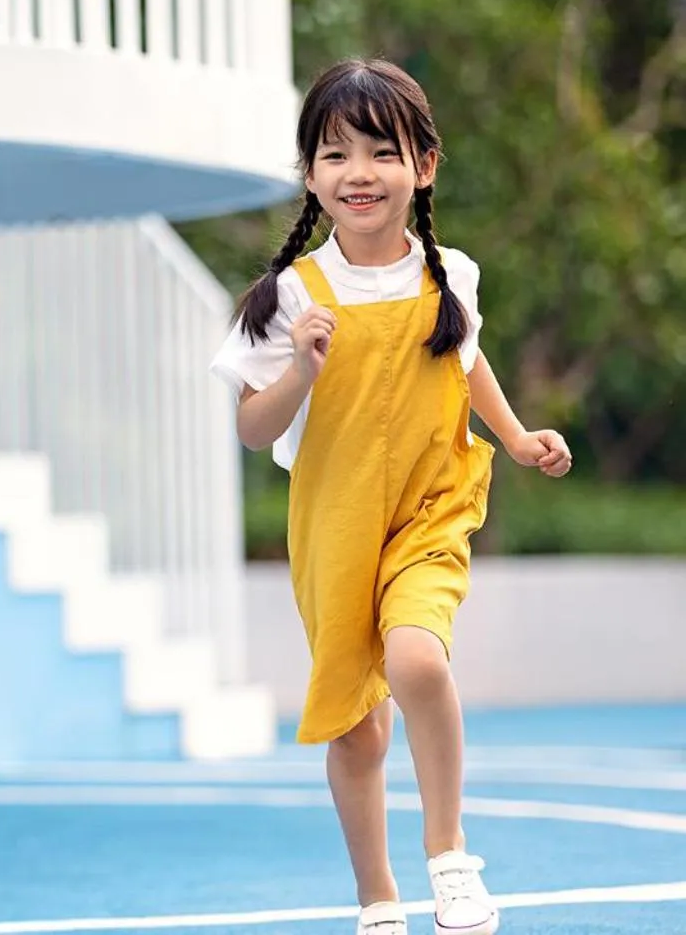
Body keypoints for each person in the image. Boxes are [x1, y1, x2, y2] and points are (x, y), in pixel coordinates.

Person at [209, 57, 572, 935]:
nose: (359, 173)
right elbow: (252, 429)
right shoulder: (285, 298)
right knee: (357, 728)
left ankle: (448, 854)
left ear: (424, 164)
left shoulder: (452, 275)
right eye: (334, 155)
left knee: (415, 660)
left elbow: (465, 355)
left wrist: (516, 437)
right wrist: (301, 365)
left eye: (381, 150)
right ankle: (377, 898)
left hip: (427, 509)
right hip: (333, 528)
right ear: (309, 176)